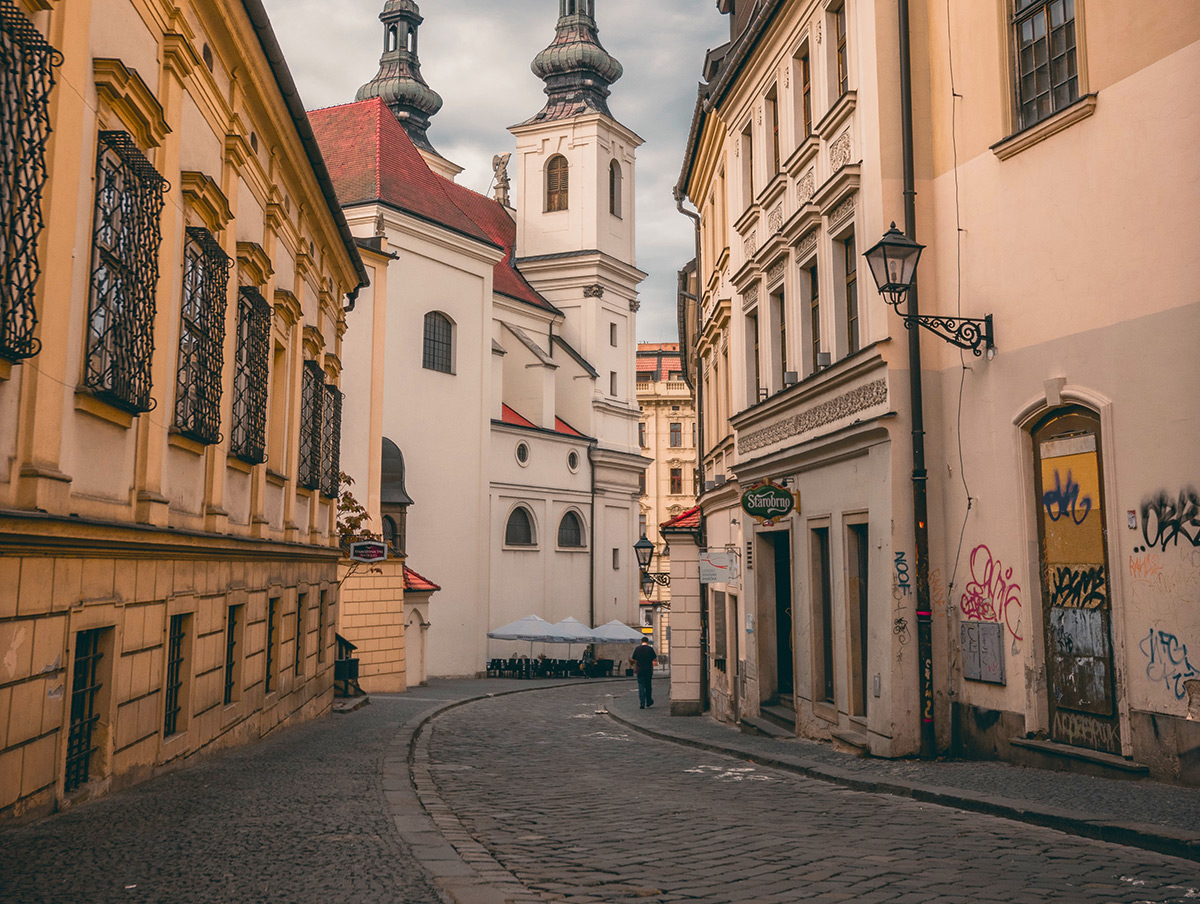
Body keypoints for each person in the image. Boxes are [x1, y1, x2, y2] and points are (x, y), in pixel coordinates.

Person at [630, 637, 657, 708]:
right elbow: (654, 658)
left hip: (640, 670)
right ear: (647, 642)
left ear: (641, 641)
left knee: (641, 686)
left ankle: (642, 702)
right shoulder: (650, 649)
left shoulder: (637, 649)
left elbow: (633, 659)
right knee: (648, 686)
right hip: (648, 670)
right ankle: (649, 701)